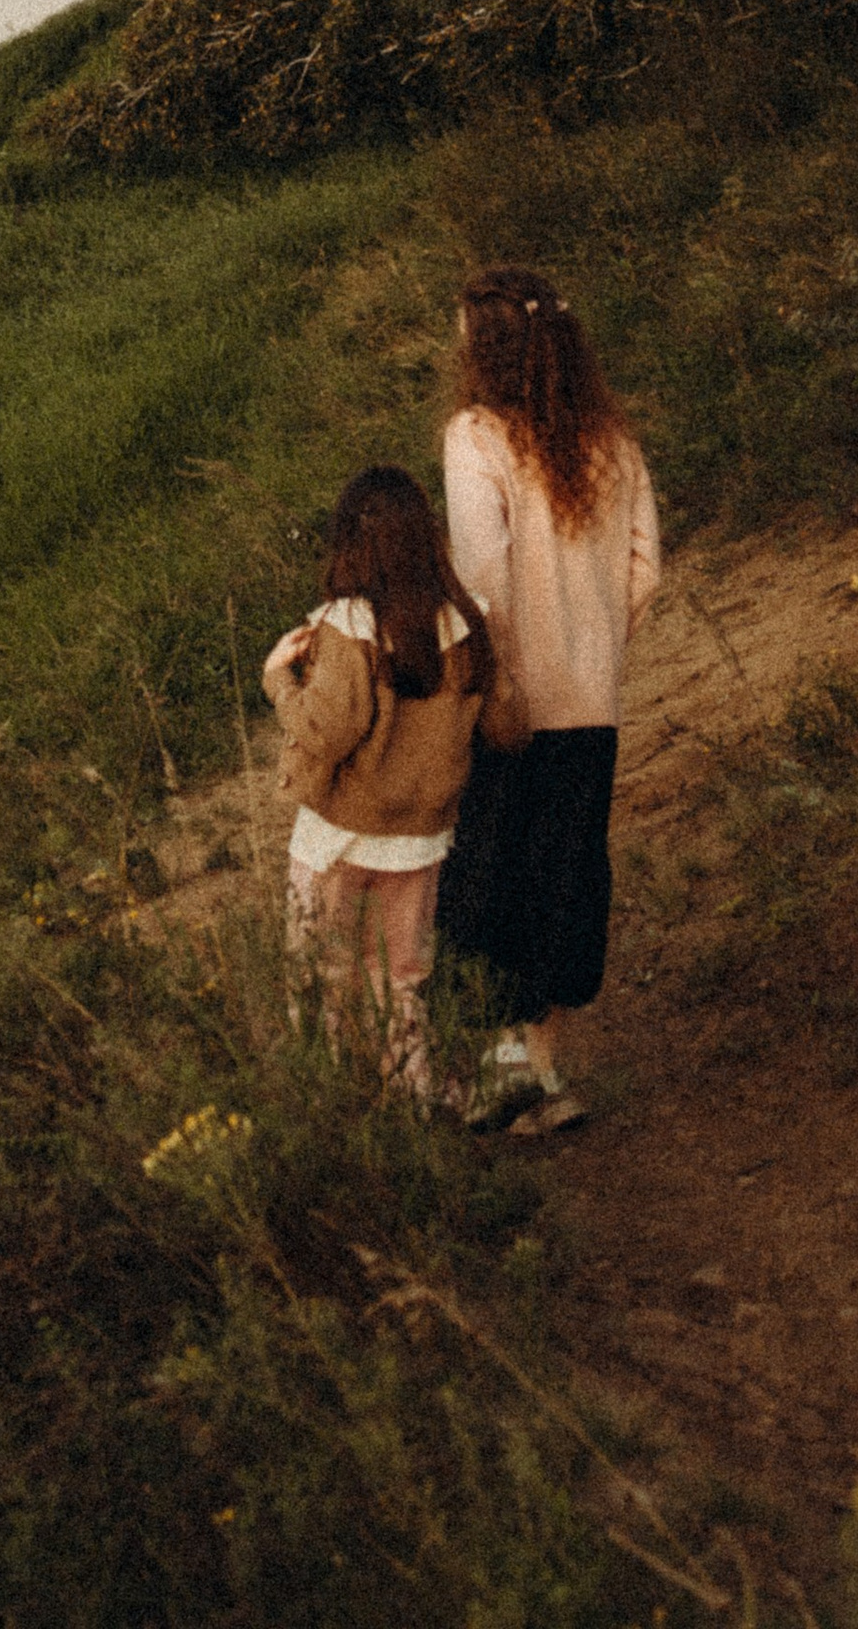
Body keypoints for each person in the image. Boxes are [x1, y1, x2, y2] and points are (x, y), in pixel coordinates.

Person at [438, 266, 662, 1133]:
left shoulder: (476, 438)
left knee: (491, 871)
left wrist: (501, 673)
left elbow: (482, 570)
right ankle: (547, 1069)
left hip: (513, 699)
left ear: (487, 347)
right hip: (591, 698)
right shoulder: (613, 443)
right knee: (567, 873)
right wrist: (597, 645)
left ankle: (501, 1070)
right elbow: (647, 570)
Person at [262, 462, 528, 1101]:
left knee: (321, 975)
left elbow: (326, 733)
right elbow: (506, 725)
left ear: (350, 542)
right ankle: (414, 1093)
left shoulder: (350, 627)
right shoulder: (465, 624)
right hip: (418, 840)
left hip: (337, 839)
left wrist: (279, 679)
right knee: (401, 976)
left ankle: (336, 1102)